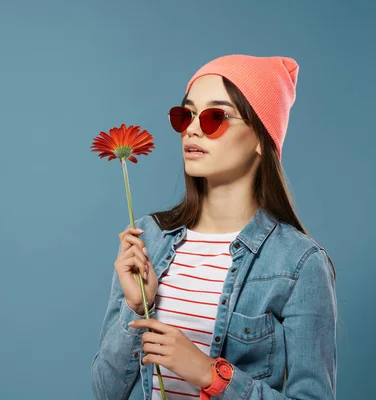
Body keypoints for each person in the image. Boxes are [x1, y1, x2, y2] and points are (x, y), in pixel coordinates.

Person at [91, 54, 337, 400]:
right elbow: (105, 393)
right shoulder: (149, 238)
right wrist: (135, 307)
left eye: (214, 117)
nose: (192, 128)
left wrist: (211, 374)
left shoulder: (299, 263)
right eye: (185, 115)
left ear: (259, 138)